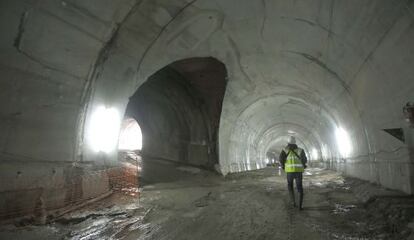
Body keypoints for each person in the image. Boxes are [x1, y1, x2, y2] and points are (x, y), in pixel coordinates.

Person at [279, 136, 307, 210]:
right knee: (300, 188)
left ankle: (293, 202)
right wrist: (303, 165)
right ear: (295, 142)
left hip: (290, 172)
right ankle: (300, 206)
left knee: (290, 187)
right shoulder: (300, 150)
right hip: (298, 172)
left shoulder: (284, 150)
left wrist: (283, 166)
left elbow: (281, 159)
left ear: (288, 142)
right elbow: (304, 160)